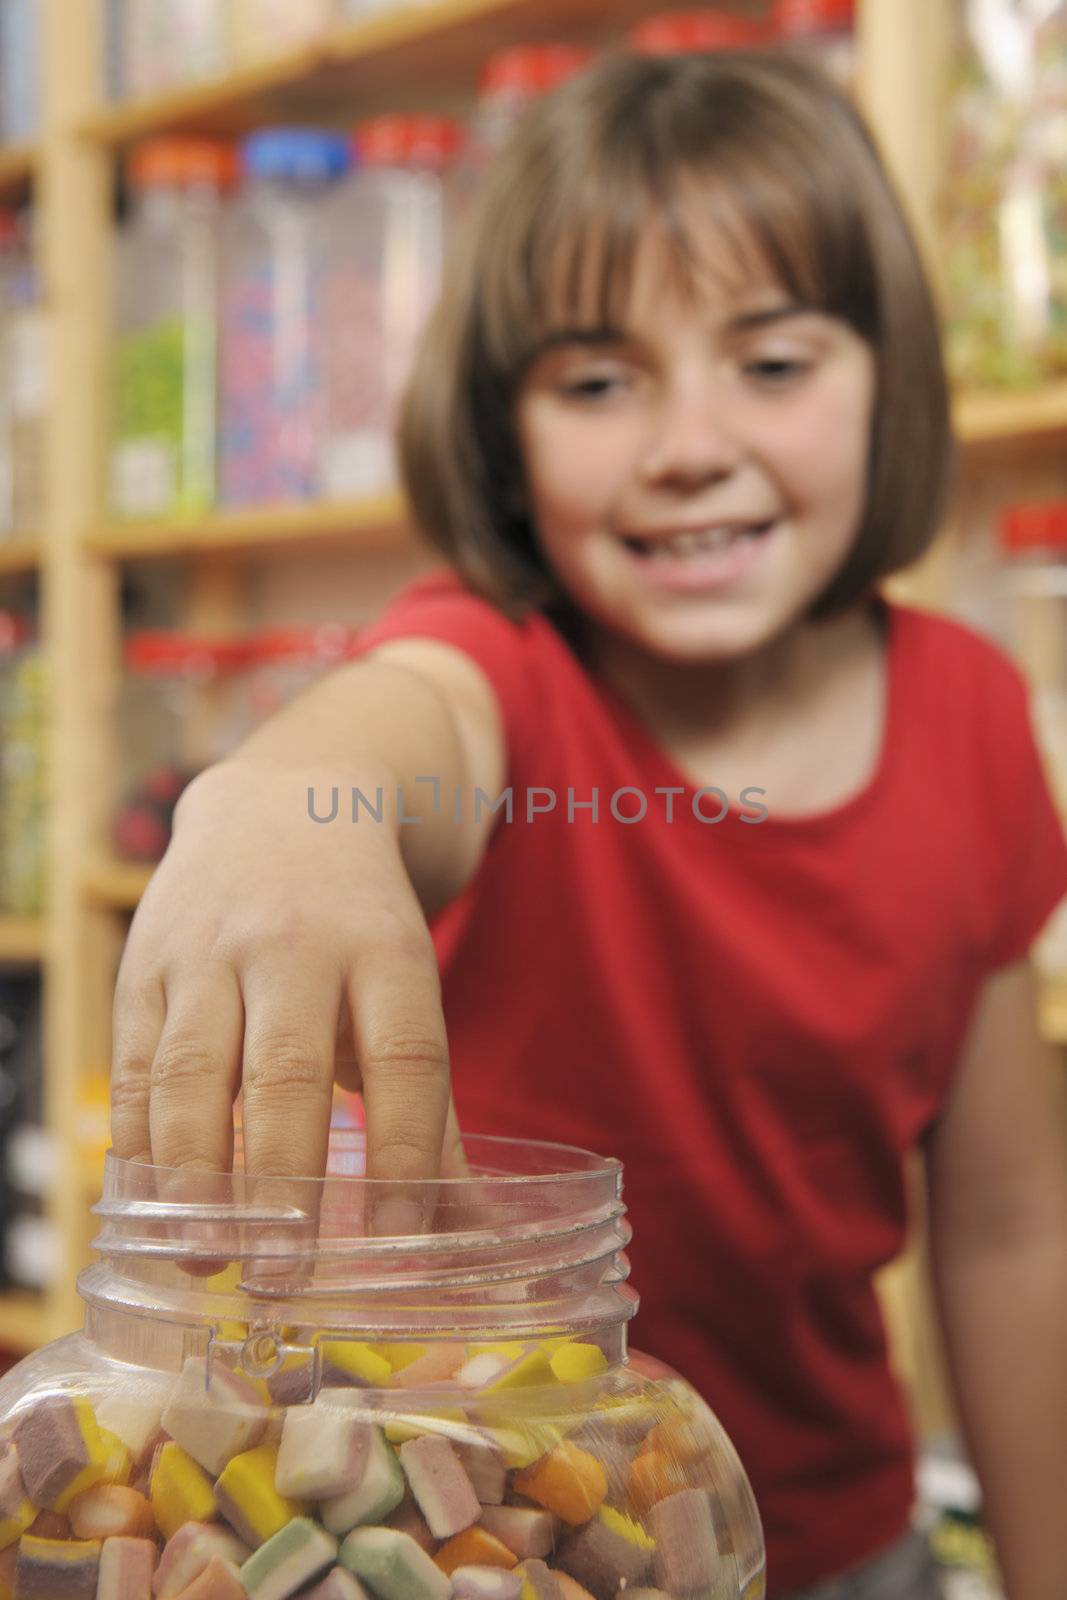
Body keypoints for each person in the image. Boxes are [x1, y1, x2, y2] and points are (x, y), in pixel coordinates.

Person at [109, 50, 1067, 1600]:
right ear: (504, 432)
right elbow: (400, 724)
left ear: (888, 373)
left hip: (843, 1549)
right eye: (598, 382)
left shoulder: (968, 713)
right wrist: (277, 804)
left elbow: (1017, 1230)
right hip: (497, 1548)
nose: (689, 442)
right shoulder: (506, 670)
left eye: (771, 362)